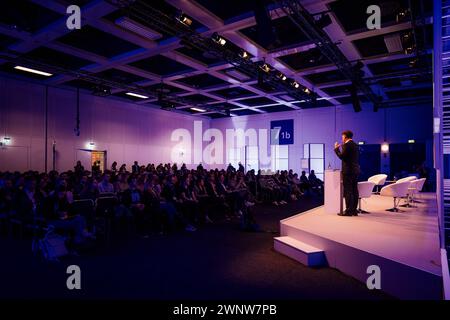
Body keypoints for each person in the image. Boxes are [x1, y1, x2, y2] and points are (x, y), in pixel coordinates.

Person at [334, 130, 360, 216]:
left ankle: (348, 211)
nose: (342, 139)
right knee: (354, 190)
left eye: (342, 137)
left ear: (345, 136)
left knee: (348, 191)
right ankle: (354, 210)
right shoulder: (356, 145)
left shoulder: (346, 145)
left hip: (348, 171)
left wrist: (336, 149)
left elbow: (342, 157)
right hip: (355, 170)